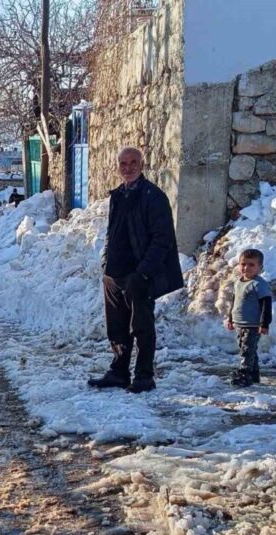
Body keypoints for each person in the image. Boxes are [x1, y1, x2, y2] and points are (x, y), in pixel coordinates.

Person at [88, 147, 184, 394]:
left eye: (132, 162)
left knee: (141, 326)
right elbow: (113, 232)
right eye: (122, 163)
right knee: (117, 327)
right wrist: (106, 265)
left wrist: (143, 272)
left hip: (138, 274)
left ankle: (144, 375)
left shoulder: (153, 196)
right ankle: (119, 372)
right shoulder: (118, 195)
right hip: (114, 274)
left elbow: (162, 240)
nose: (127, 167)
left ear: (142, 165)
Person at [225, 249, 272, 387]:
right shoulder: (238, 282)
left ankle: (244, 373)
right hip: (240, 323)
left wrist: (264, 323)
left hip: (253, 324)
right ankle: (254, 374)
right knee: (248, 348)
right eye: (243, 264)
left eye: (251, 265)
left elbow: (266, 305)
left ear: (260, 267)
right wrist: (230, 318)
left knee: (247, 349)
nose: (246, 268)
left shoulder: (259, 284)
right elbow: (235, 302)